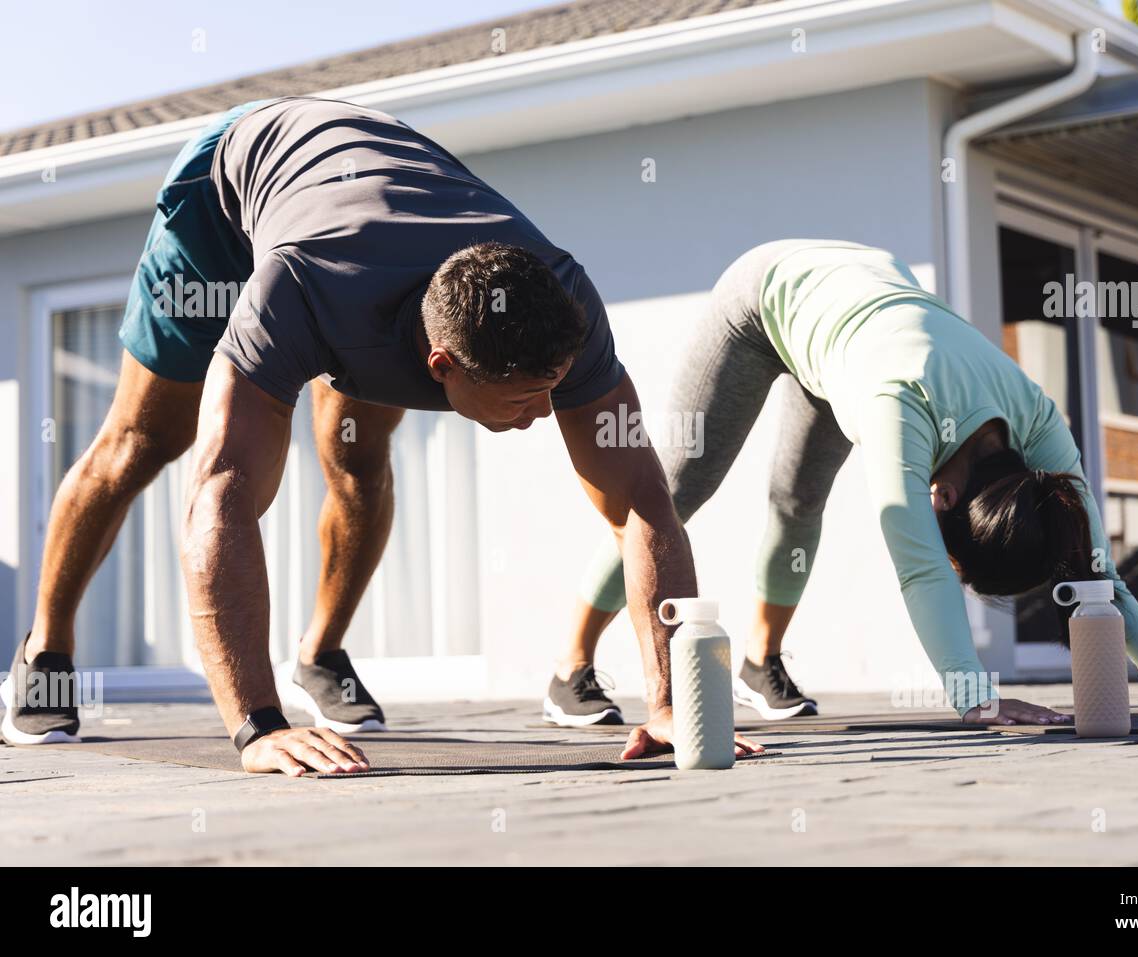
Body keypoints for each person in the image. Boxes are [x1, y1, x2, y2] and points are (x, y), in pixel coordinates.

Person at [0, 96, 762, 772]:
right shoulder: (300, 290)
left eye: (551, 390)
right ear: (442, 365)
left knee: (357, 457)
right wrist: (257, 727)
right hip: (227, 196)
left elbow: (642, 503)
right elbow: (220, 492)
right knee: (147, 441)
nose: (541, 415)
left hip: (373, 205)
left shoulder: (565, 297)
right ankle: (44, 651)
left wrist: (670, 703)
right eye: (524, 399)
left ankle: (321, 652)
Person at [545, 240, 1138, 726]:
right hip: (768, 293)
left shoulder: (1038, 423)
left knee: (798, 502)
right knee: (670, 490)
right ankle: (569, 669)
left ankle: (761, 662)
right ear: (944, 499)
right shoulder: (896, 412)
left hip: (862, 316)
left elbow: (1093, 567)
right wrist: (975, 695)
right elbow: (920, 566)